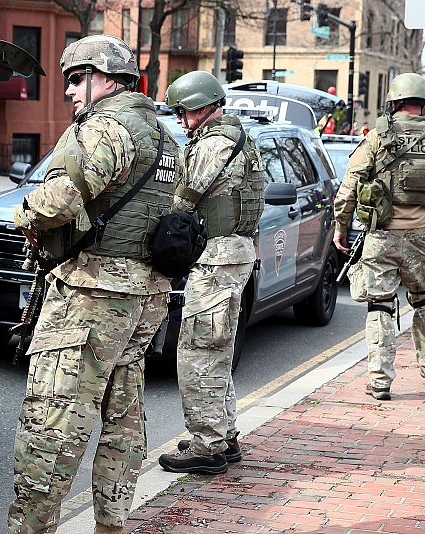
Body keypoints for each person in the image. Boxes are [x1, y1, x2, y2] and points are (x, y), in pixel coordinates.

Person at [7, 35, 181, 534]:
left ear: (105, 79)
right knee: (123, 418)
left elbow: (58, 201)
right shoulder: (166, 139)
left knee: (54, 421)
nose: (69, 92)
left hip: (93, 294)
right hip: (147, 294)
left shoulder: (106, 128)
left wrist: (23, 214)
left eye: (76, 80)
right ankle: (111, 523)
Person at [332, 72, 425, 400]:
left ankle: (380, 380)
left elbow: (350, 185)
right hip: (423, 236)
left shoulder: (377, 138)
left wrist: (341, 225)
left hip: (381, 235)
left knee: (379, 305)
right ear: (423, 103)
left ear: (393, 102)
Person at [157, 71, 266, 474]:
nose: (180, 120)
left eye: (183, 112)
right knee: (217, 350)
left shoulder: (214, 144)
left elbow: (181, 200)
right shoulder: (239, 138)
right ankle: (225, 435)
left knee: (198, 352)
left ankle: (207, 446)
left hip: (217, 258)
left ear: (202, 108)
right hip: (233, 254)